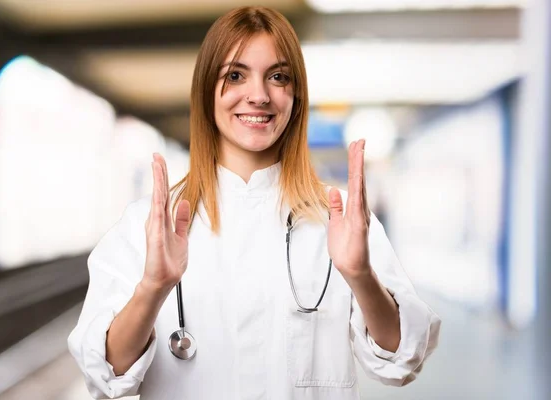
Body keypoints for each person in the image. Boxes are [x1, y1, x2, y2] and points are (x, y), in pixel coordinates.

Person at [68, 6, 441, 400]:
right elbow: (106, 374)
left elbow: (401, 359)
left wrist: (361, 275)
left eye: (278, 77)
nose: (259, 96)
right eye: (235, 75)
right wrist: (152, 287)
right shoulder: (147, 223)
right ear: (206, 91)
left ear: (296, 96)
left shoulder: (341, 218)